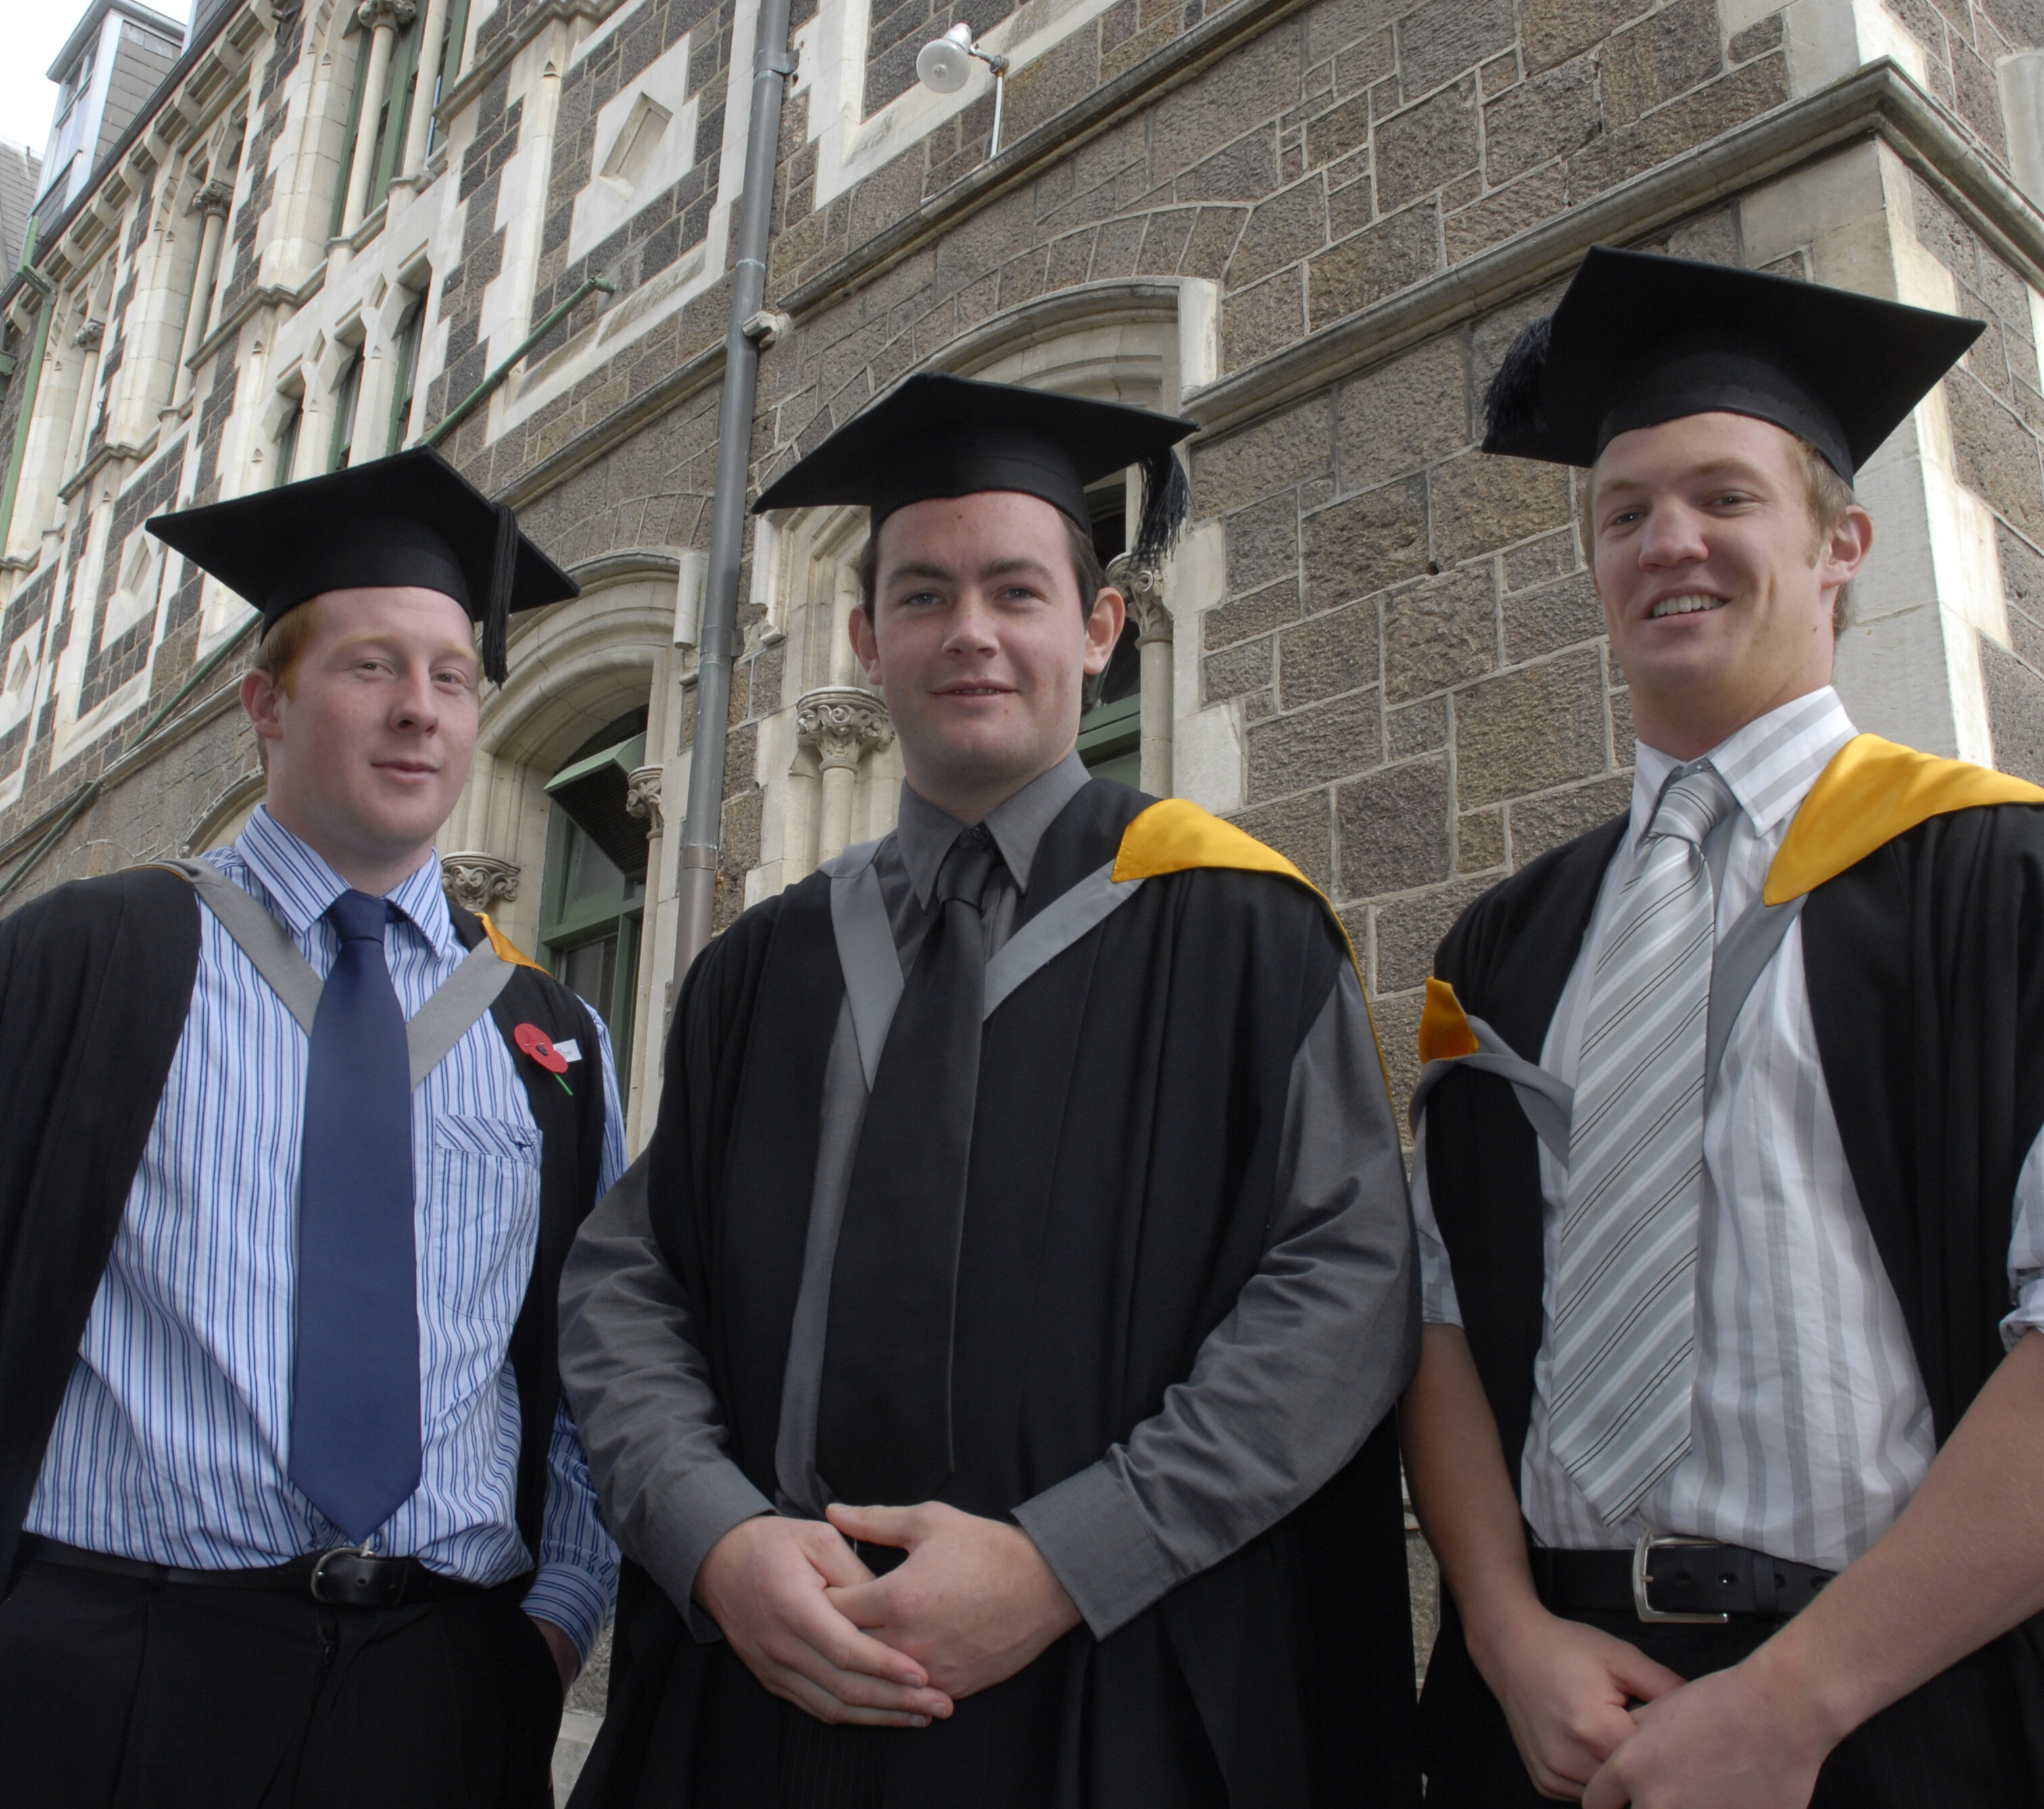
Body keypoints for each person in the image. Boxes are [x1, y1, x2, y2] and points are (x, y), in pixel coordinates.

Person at [1403, 245, 2044, 1807]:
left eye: (1724, 496)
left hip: (1916, 1703)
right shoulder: (1503, 948)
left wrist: (1794, 1702)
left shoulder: (2011, 881)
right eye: (1623, 513)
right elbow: (1440, 1314)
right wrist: (1499, 1625)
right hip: (1561, 1716)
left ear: (1840, 547)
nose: (1667, 540)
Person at [0, 447, 627, 1809]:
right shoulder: (76, 963)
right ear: (264, 701)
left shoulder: (549, 1039)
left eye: (451, 676)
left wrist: (553, 1625)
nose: (418, 710)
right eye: (369, 666)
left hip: (446, 1684)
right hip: (113, 1674)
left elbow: (592, 1373)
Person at [557, 372, 1421, 1808]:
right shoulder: (756, 970)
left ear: (1098, 630)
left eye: (1015, 592)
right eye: (921, 595)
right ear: (864, 639)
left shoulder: (1237, 931)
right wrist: (710, 1536)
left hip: (1109, 1690)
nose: (968, 632)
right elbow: (627, 1287)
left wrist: (1071, 1555)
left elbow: (1343, 1280)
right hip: (771, 1688)